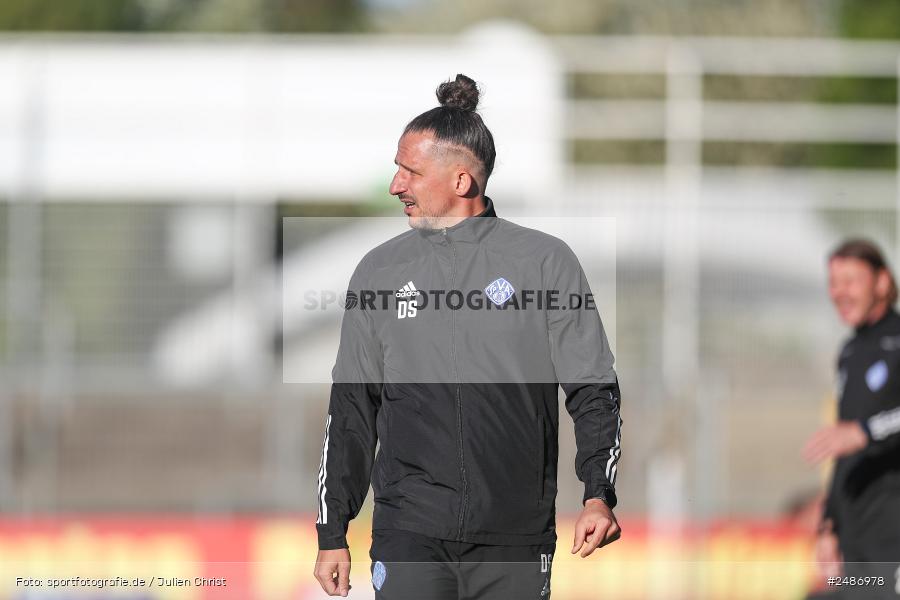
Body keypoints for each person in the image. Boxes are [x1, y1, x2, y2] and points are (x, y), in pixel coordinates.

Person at [312, 74, 622, 599]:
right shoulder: (378, 271)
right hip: (407, 529)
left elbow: (593, 388)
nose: (396, 186)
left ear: (460, 181)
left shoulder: (545, 262)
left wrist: (598, 494)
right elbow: (351, 411)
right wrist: (332, 530)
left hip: (515, 534)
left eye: (410, 171)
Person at [803, 239, 900, 599]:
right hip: (858, 538)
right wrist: (829, 524)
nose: (839, 292)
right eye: (833, 283)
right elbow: (845, 445)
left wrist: (867, 431)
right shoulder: (850, 351)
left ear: (882, 282)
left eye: (850, 281)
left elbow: (857, 434)